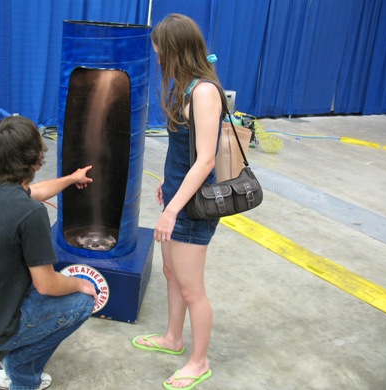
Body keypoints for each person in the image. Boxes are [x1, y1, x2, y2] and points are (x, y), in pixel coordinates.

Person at [0, 115, 99, 390]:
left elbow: (35, 191)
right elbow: (47, 285)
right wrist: (82, 283)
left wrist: (71, 178)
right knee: (82, 302)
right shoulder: (31, 214)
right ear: (36, 160)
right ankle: (17, 372)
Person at [132, 14, 228, 390]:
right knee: (172, 274)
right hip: (178, 197)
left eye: (159, 50)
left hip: (193, 208)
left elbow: (205, 160)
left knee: (192, 288)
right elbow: (184, 154)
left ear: (175, 50)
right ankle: (173, 338)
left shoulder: (203, 92)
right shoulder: (186, 87)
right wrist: (167, 187)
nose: (156, 57)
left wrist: (172, 209)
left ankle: (199, 361)